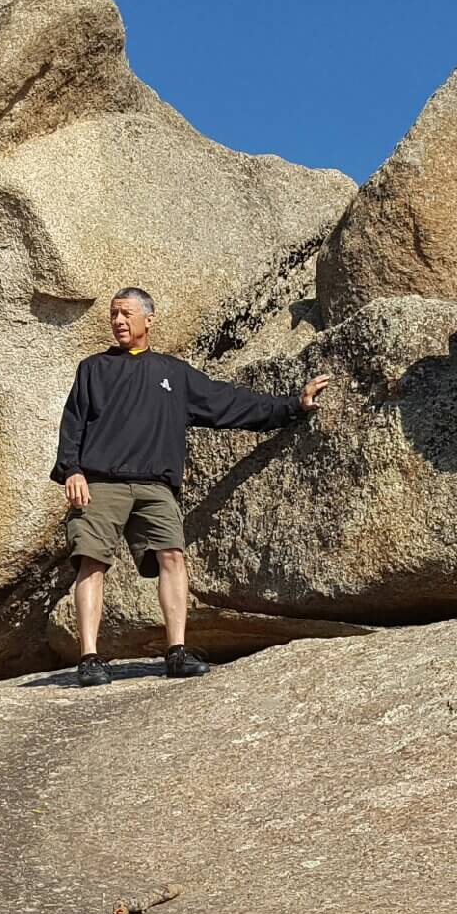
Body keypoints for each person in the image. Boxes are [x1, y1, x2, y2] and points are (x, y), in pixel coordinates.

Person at [52, 286, 331, 686]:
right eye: (114, 314)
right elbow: (72, 423)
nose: (117, 321)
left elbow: (228, 403)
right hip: (101, 483)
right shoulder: (93, 369)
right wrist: (72, 470)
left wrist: (292, 406)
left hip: (156, 487)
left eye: (126, 314)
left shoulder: (172, 373)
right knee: (92, 562)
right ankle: (90, 658)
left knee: (172, 557)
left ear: (149, 319)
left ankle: (177, 651)